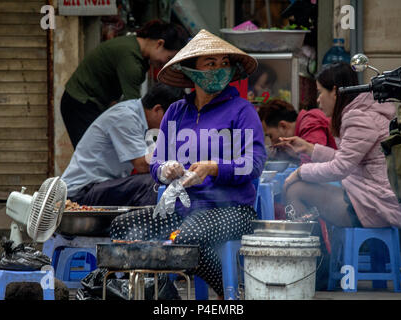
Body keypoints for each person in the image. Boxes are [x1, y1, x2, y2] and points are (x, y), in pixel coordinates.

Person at [109, 29, 266, 299]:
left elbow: (253, 164)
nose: (220, 70)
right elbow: (155, 164)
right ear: (193, 72)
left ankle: (233, 292)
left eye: (225, 64)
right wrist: (165, 169)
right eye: (211, 64)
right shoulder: (176, 112)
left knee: (187, 239)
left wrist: (213, 167)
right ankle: (165, 296)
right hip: (182, 210)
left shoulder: (242, 111)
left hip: (234, 211)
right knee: (122, 228)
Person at [278, 62, 401, 229]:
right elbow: (346, 160)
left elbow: (339, 168)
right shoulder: (362, 111)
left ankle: (309, 250)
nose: (318, 100)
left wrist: (300, 172)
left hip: (375, 206)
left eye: (320, 92)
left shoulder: (358, 118)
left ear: (334, 91)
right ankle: (316, 247)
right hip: (370, 198)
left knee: (295, 190)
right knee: (306, 187)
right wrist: (309, 148)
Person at [61, 19, 189, 148]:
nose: (166, 64)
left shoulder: (137, 50)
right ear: (159, 44)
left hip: (95, 103)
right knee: (92, 152)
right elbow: (133, 108)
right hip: (80, 103)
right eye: (168, 58)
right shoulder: (130, 60)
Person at [61, 83, 185, 207]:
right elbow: (142, 164)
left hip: (100, 186)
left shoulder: (139, 117)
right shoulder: (125, 117)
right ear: (157, 110)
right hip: (81, 192)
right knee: (152, 184)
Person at [258, 99, 337, 164]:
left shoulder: (310, 122)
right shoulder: (304, 126)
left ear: (283, 126)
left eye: (271, 136)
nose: (272, 143)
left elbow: (311, 164)